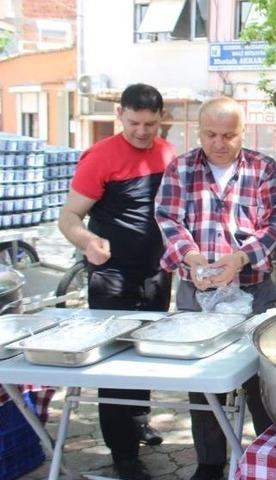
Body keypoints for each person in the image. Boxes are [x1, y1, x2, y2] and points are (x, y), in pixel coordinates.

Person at [154, 96, 276, 480]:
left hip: (254, 291)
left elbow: (274, 226)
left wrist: (241, 258)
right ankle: (211, 463)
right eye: (211, 134)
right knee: (203, 383)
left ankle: (272, 458)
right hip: (196, 293)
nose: (219, 143)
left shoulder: (264, 169)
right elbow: (167, 219)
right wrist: (192, 256)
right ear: (198, 131)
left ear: (243, 133)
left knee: (262, 381)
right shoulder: (181, 168)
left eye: (229, 135)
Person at [58, 83, 172, 480]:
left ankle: (138, 420)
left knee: (147, 354)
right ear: (120, 114)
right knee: (116, 362)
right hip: (111, 275)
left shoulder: (166, 153)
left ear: (161, 119)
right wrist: (88, 242)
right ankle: (122, 453)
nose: (142, 131)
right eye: (135, 122)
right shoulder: (100, 156)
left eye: (151, 124)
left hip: (158, 272)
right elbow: (68, 217)